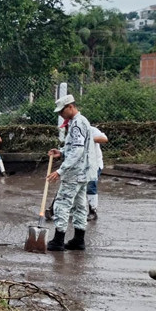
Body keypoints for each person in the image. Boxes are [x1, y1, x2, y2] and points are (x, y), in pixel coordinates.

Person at [46, 94, 98, 251]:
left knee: (62, 203)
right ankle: (78, 239)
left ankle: (58, 240)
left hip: (74, 173)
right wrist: (61, 152)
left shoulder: (77, 124)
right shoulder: (81, 122)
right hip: (83, 172)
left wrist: (61, 170)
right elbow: (74, 148)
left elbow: (77, 151)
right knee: (79, 205)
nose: (60, 115)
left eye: (62, 111)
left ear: (70, 107)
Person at [87, 126, 108, 221]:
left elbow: (104, 139)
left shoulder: (91, 130)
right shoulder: (71, 134)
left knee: (91, 185)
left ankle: (92, 211)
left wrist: (89, 139)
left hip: (94, 164)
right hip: (79, 165)